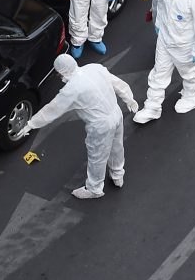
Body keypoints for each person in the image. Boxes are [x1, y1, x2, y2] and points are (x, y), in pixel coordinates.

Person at [15, 54, 138, 199]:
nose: (59, 77)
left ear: (62, 71)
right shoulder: (95, 68)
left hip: (100, 125)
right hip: (116, 112)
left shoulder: (72, 89)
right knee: (117, 146)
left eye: (58, 73)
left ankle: (95, 189)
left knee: (97, 156)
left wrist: (31, 124)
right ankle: (117, 174)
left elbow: (52, 109)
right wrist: (130, 99)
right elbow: (118, 84)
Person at [134, 0, 195, 123]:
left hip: (184, 45)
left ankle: (191, 96)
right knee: (158, 73)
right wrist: (159, 24)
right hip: (165, 40)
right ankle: (152, 107)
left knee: (189, 73)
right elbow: (161, 7)